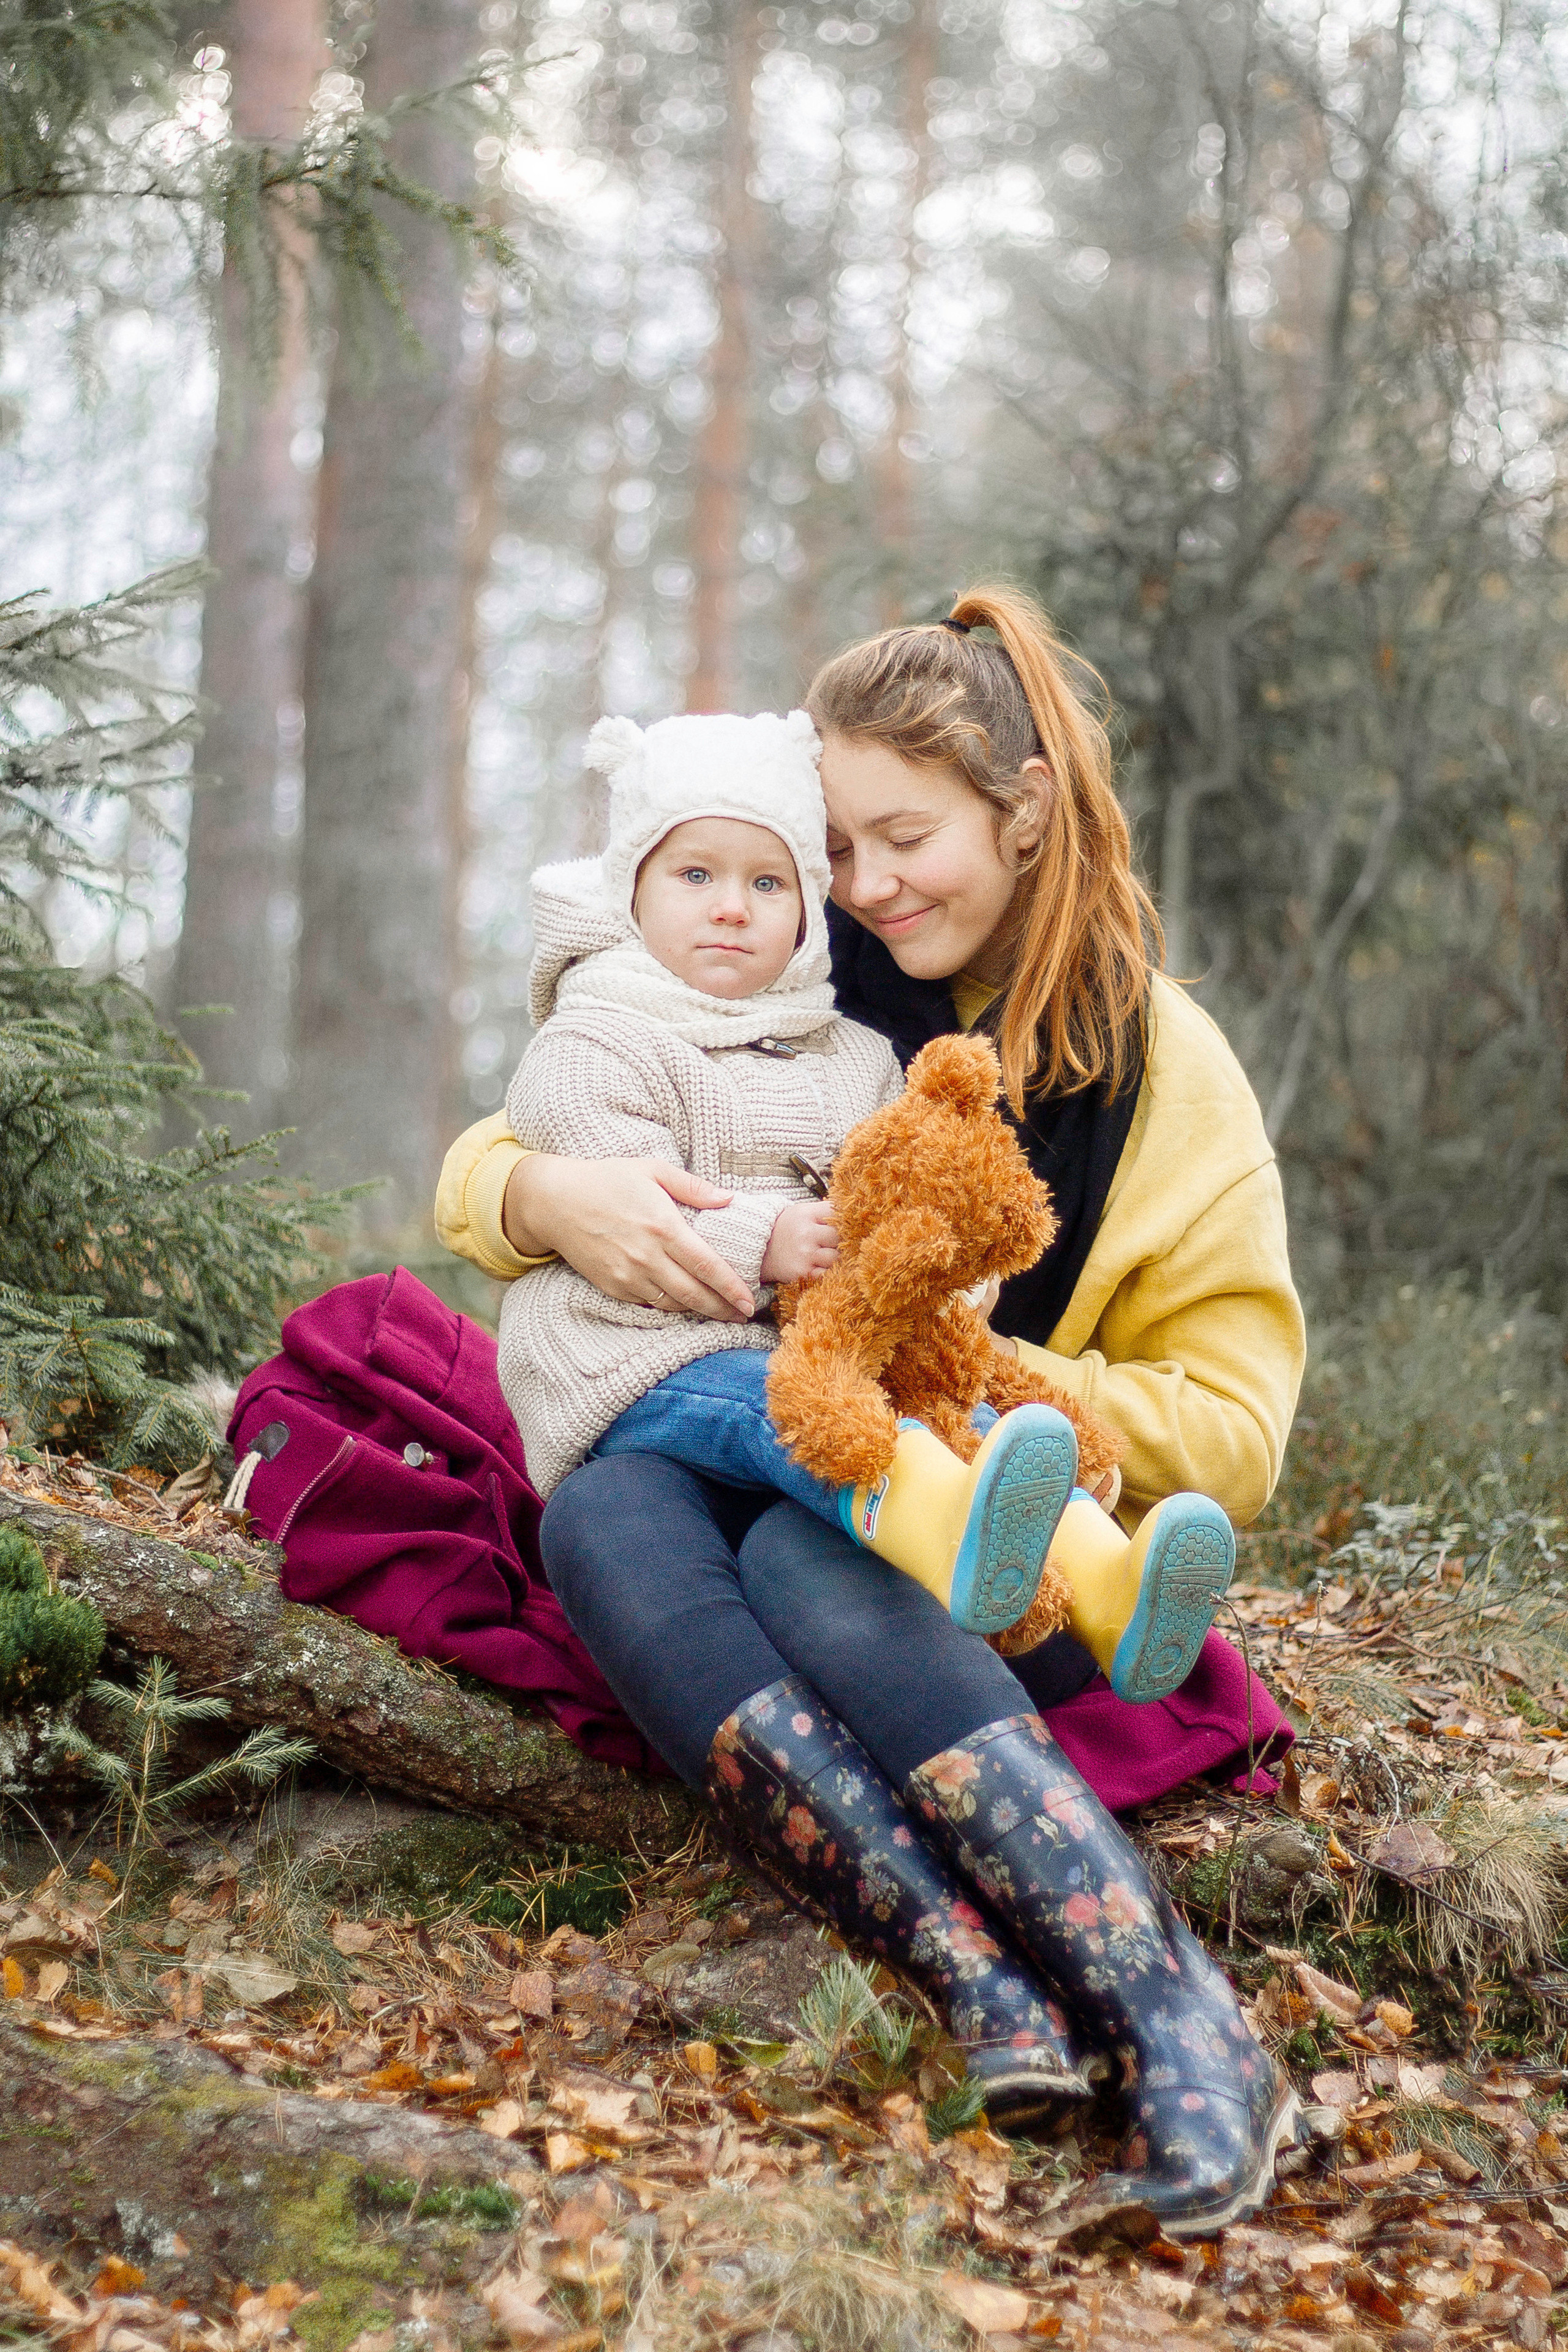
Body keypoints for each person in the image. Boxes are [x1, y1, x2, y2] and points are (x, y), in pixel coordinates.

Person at [436, 586, 1306, 2233]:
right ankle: (978, 1985)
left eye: (904, 838)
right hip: (783, 1453)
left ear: (1026, 808)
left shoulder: (1163, 1073)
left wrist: (971, 1367)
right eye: (836, 846)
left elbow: (1238, 1425)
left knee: (810, 1560)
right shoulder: (818, 982)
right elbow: (525, 1137)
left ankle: (1172, 2010)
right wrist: (544, 1193)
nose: (865, 886)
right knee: (606, 1508)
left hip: (1008, 1536)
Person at [503, 701, 1235, 1662]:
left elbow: (894, 1185)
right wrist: (544, 1198)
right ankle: (935, 1523)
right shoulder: (604, 1025)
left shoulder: (841, 1031)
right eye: (694, 876)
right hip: (645, 1357)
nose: (732, 905)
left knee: (974, 1420)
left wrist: (939, 1291)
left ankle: (1112, 1583)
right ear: (630, 893)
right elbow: (577, 1154)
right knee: (789, 1412)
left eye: (771, 881)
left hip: (834, 1349)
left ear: (1023, 814)